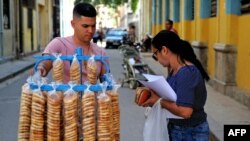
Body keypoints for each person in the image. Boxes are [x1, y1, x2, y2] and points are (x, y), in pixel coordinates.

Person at [143, 30, 210, 141]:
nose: (156, 59)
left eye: (155, 54)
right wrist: (152, 94)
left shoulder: (186, 72)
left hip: (190, 132)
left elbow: (185, 112)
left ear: (164, 50)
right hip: (179, 130)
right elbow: (174, 97)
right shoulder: (175, 70)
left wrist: (159, 101)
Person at [38, 2, 109, 83]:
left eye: (93, 26)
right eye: (85, 26)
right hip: (64, 95)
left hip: (91, 96)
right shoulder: (59, 44)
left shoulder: (100, 52)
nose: (90, 30)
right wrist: (41, 68)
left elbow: (106, 84)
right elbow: (45, 64)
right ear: (73, 24)